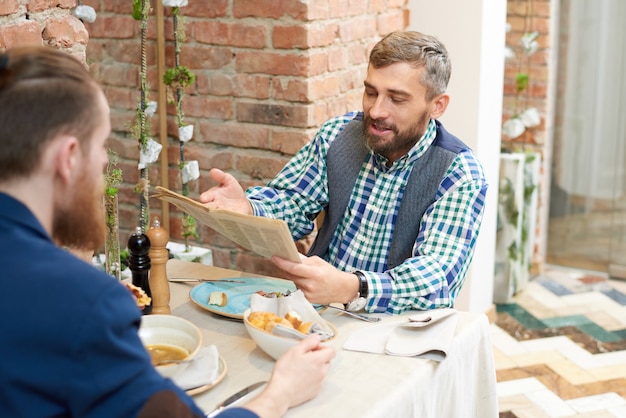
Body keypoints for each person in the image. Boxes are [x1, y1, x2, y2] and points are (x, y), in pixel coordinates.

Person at [0, 46, 335, 418]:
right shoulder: (83, 303)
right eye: (102, 145)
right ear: (68, 157)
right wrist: (280, 394)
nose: (105, 162)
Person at [200, 31, 488, 315]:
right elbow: (294, 203)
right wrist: (248, 207)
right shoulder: (337, 135)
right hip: (317, 313)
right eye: (371, 92)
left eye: (396, 99)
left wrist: (354, 287)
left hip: (397, 330)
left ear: (437, 105)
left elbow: (436, 276)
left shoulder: (460, 174)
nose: (376, 111)